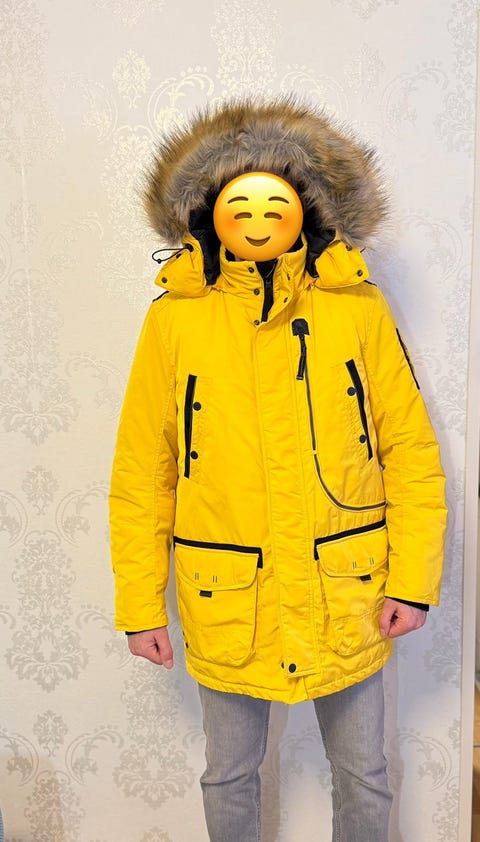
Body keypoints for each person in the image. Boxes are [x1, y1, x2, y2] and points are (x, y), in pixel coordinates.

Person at [109, 98, 447, 842]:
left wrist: (412, 582)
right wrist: (140, 605)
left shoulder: (356, 308)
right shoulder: (174, 319)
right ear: (208, 214)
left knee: (365, 774)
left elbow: (411, 454)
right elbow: (142, 471)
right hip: (229, 593)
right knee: (227, 775)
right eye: (241, 206)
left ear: (307, 210)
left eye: (274, 205)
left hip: (346, 591)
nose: (259, 221)